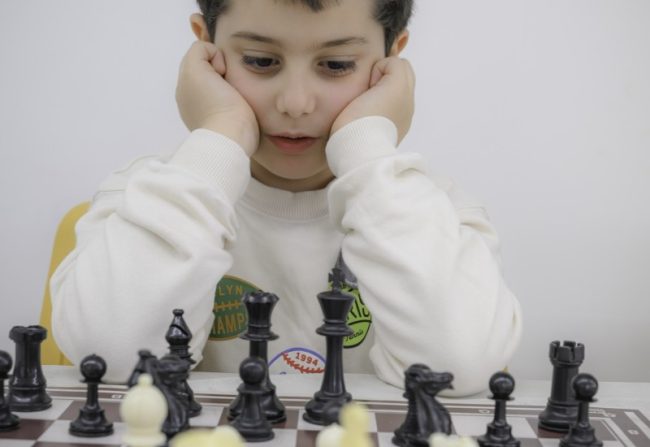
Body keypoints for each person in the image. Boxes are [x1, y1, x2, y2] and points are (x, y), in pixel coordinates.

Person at [50, 0, 522, 396]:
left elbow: (455, 370)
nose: (295, 103)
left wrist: (367, 148)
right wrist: (220, 133)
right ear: (205, 49)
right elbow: (112, 361)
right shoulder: (144, 201)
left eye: (336, 65)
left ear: (391, 61)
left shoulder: (436, 214)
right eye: (260, 60)